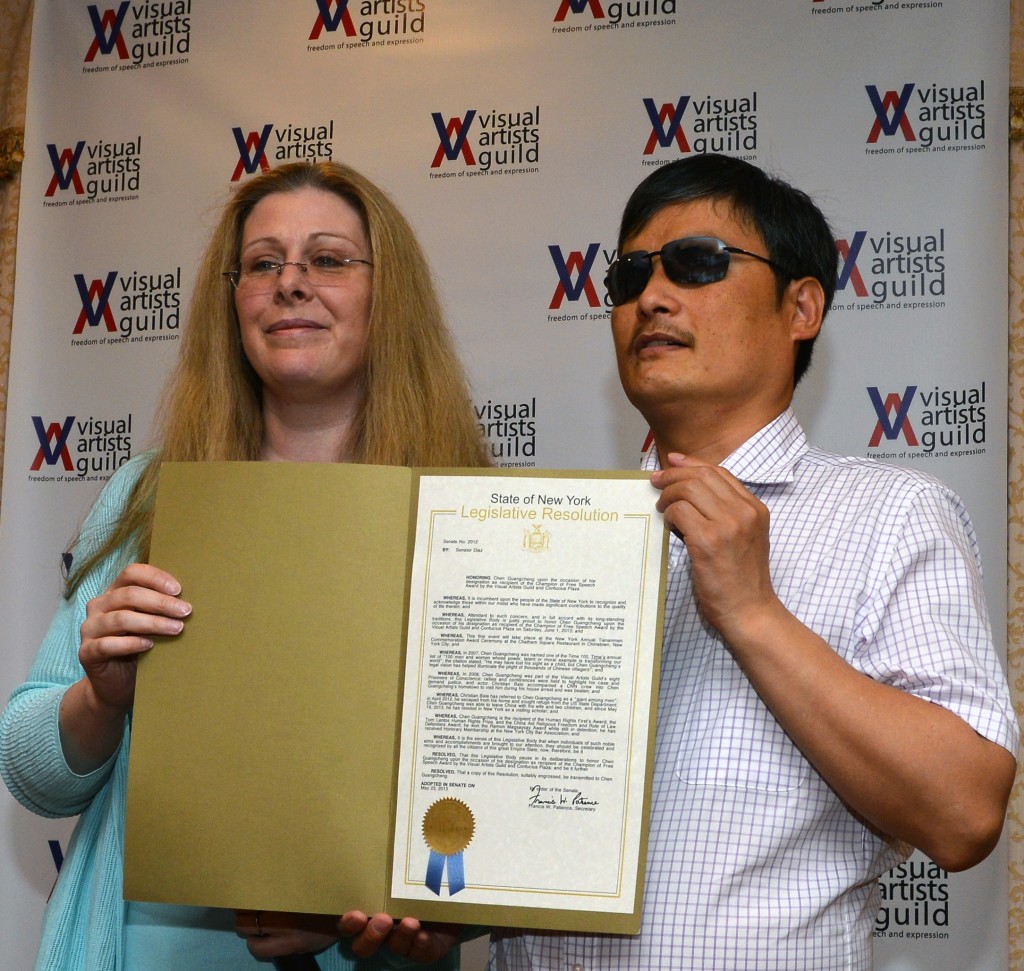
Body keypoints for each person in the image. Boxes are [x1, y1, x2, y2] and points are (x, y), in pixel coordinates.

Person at [489, 153, 1020, 970]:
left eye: (697, 263)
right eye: (630, 276)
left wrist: (753, 610)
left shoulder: (892, 516)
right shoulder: (555, 538)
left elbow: (964, 811)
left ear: (801, 305)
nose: (652, 297)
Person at [0, 161, 488, 971]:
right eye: (263, 263)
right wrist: (104, 693)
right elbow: (33, 772)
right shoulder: (152, 494)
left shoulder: (467, 516)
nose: (290, 284)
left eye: (327, 259)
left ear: (388, 294)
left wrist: (345, 909)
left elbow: (492, 822)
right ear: (233, 303)